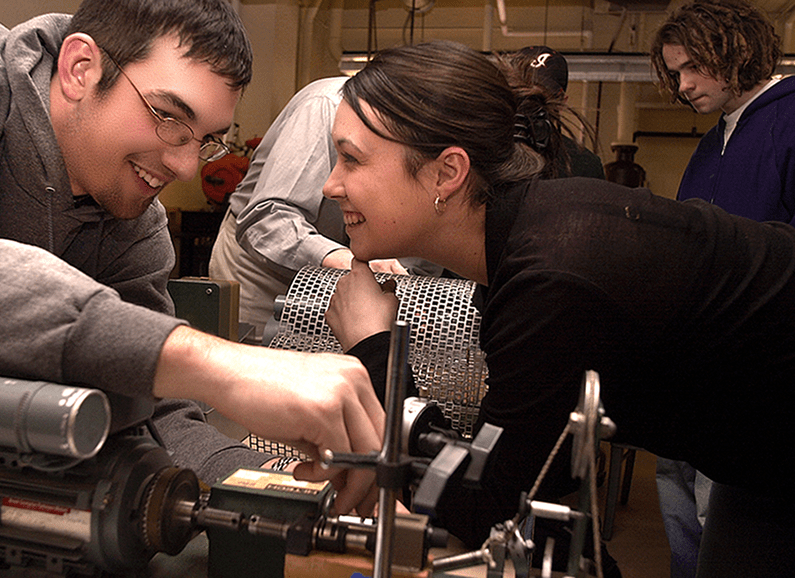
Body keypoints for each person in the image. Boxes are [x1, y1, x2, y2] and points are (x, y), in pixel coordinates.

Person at [321, 40, 795, 576]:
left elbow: (490, 508)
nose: (329, 183)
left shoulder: (554, 275)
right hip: (759, 457)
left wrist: (374, 349)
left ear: (446, 172)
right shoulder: (529, 239)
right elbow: (514, 475)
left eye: (352, 159)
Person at [0, 0, 383, 517]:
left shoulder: (134, 225)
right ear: (80, 69)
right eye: (167, 117)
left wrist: (275, 486)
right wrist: (221, 368)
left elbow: (153, 412)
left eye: (204, 140)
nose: (184, 166)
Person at [650, 2, 795, 575]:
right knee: (679, 497)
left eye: (692, 68)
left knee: (724, 511)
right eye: (675, 73)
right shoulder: (715, 141)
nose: (683, 86)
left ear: (735, 53)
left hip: (753, 365)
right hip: (693, 359)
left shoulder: (787, 121)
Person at [209, 76, 440, 343]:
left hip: (353, 270)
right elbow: (267, 218)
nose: (331, 187)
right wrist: (343, 261)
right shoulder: (324, 107)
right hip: (264, 264)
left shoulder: (432, 139)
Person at [509, 45, 606, 180]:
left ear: (562, 102)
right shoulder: (483, 151)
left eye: (541, 97)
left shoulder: (583, 164)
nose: (529, 103)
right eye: (521, 93)